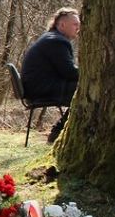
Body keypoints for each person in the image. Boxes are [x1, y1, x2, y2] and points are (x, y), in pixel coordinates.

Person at [21, 8, 81, 143]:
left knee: (82, 89)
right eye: (75, 24)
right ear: (62, 25)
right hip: (40, 88)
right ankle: (58, 133)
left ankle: (58, 132)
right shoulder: (57, 41)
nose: (78, 28)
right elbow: (69, 72)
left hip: (37, 86)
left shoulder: (51, 37)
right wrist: (91, 74)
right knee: (85, 91)